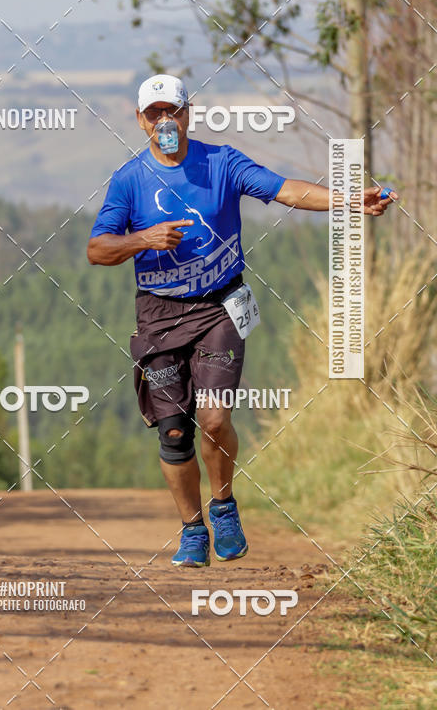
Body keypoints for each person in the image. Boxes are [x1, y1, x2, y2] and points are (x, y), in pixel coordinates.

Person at [87, 73, 397, 568]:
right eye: (153, 114)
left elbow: (284, 190)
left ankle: (224, 505)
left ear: (188, 114)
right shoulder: (129, 179)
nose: (164, 122)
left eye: (173, 112)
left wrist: (348, 199)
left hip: (220, 308)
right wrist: (144, 239)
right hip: (159, 314)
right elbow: (97, 249)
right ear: (140, 121)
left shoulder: (222, 162)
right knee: (173, 432)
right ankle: (192, 530)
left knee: (213, 418)